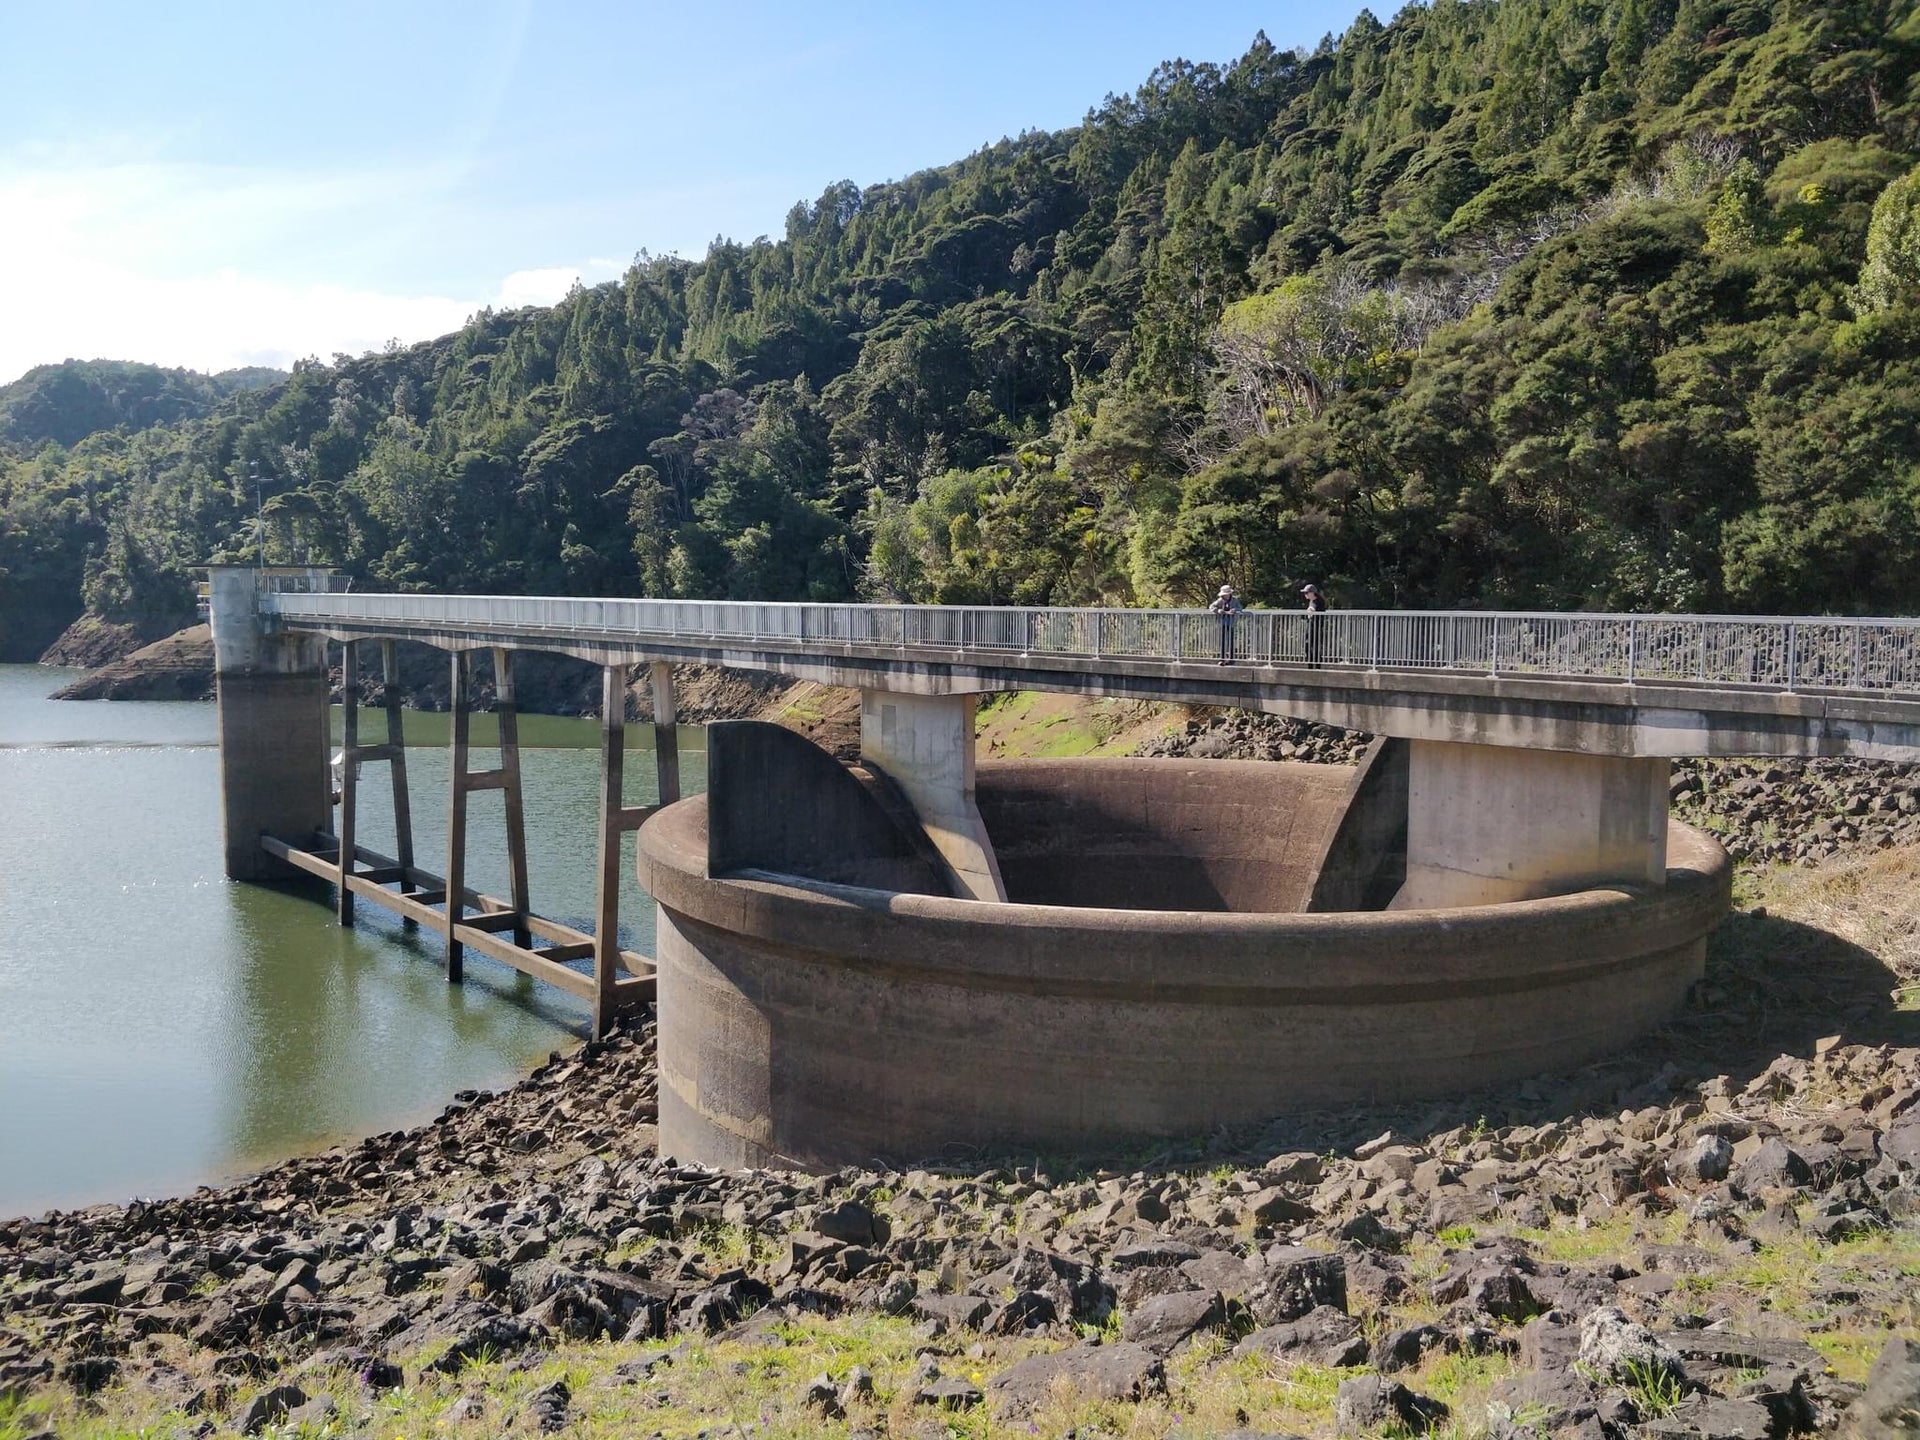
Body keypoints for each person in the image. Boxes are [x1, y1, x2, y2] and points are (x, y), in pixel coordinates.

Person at [1210, 583, 1244, 664]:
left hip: (1231, 623)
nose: (1225, 596)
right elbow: (1211, 607)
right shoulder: (1220, 600)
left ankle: (1231, 659)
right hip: (1223, 623)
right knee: (1223, 641)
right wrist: (1218, 611)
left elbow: (1240, 608)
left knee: (1231, 641)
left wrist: (1234, 610)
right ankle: (1222, 659)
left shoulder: (1235, 600)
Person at [1301, 582, 1328, 667]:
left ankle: (1314, 666)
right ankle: (1312, 665)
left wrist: (1310, 611)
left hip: (1315, 627)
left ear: (1312, 593)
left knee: (1312, 647)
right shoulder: (1312, 601)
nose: (1305, 594)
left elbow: (1314, 610)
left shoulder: (1317, 601)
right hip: (1312, 626)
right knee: (1309, 646)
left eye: (1306, 593)